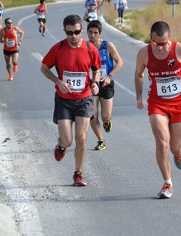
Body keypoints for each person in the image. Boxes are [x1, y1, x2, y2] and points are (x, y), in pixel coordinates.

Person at [134, 21, 181, 199]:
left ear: (169, 38)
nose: (160, 48)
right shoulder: (144, 53)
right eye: (156, 44)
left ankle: (179, 155)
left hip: (180, 104)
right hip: (157, 103)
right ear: (151, 39)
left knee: (176, 149)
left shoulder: (180, 50)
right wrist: (139, 97)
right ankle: (167, 183)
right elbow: (139, 75)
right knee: (162, 143)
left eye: (164, 44)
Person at [40, 14, 101, 186]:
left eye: (76, 32)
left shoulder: (90, 49)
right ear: (64, 31)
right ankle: (61, 147)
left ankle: (78, 174)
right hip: (64, 100)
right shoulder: (58, 49)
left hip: (84, 99)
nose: (73, 36)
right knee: (67, 140)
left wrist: (95, 83)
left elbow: (96, 69)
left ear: (82, 29)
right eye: (69, 33)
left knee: (81, 138)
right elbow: (44, 68)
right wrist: (58, 81)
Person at [87, 20, 124, 151]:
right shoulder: (84, 47)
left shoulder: (107, 46)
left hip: (106, 84)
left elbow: (119, 62)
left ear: (100, 33)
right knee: (92, 114)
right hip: (91, 85)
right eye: (90, 32)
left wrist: (110, 76)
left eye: (95, 33)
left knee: (105, 116)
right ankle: (100, 140)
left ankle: (107, 121)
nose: (92, 35)